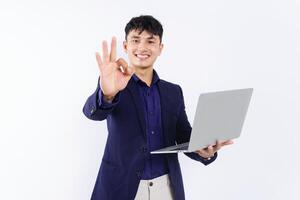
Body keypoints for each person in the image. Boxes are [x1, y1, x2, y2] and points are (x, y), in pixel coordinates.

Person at [83, 15, 233, 200]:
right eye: (135, 40)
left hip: (166, 187)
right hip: (122, 186)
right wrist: (106, 94)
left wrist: (204, 150)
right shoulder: (114, 84)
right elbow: (93, 113)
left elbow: (183, 135)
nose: (142, 47)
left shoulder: (173, 91)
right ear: (125, 46)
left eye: (150, 41)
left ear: (160, 48)